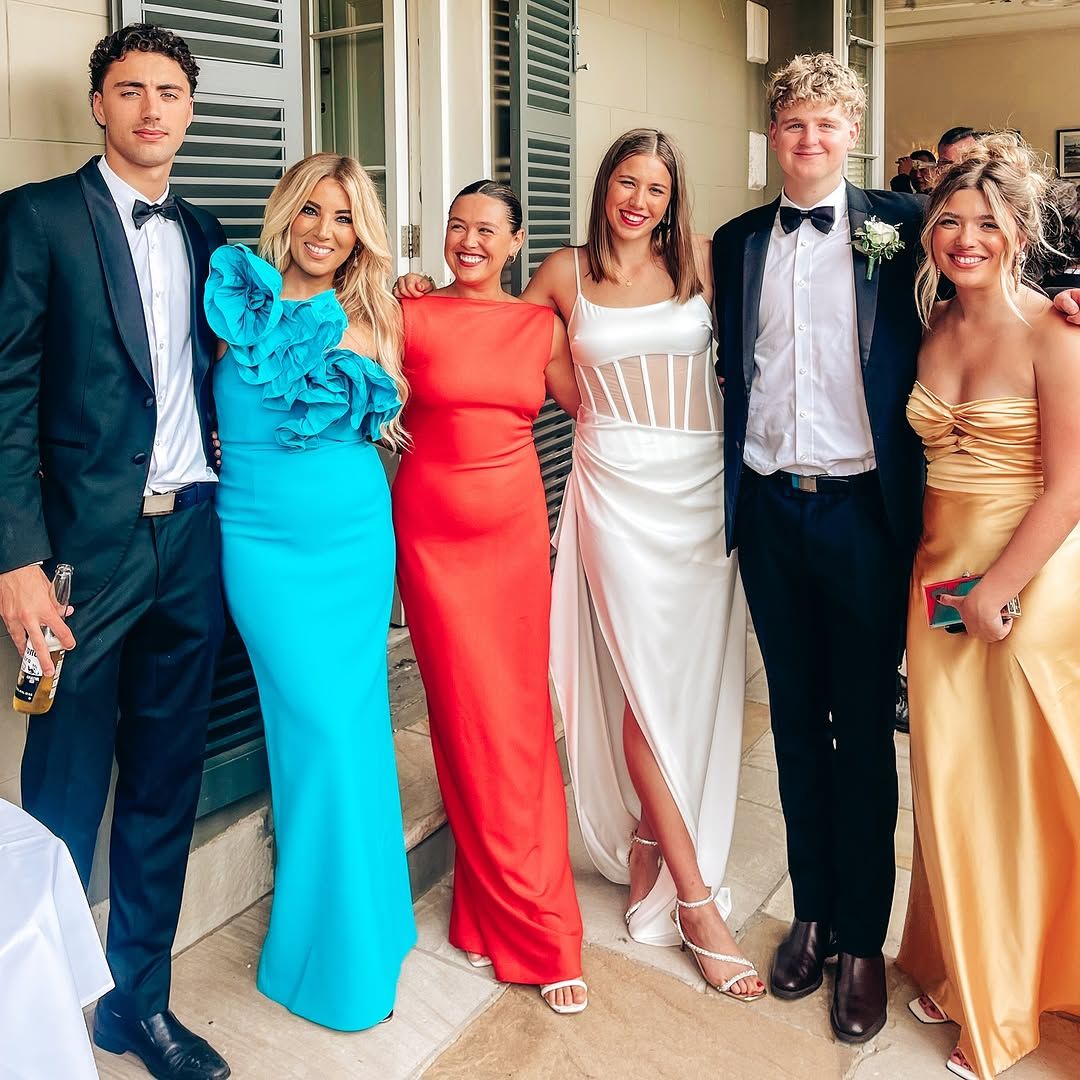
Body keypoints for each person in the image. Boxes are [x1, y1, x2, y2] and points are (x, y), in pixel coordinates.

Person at [396, 130, 759, 1001]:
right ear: (604, 187)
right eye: (626, 183)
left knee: (686, 683)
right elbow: (495, 342)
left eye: (655, 188)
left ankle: (649, 841)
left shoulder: (706, 261)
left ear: (673, 199)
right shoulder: (561, 274)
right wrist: (421, 291)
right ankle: (697, 903)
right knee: (640, 681)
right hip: (614, 489)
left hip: (699, 492)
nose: (638, 201)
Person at [0, 24, 230, 1080]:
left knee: (164, 785)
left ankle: (138, 1008)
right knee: (62, 789)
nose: (150, 108)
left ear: (189, 110)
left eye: (168, 91)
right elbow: (5, 398)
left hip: (191, 540)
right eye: (130, 90)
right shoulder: (36, 217)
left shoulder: (209, 231)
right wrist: (16, 559)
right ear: (99, 105)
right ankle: (35, 1016)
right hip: (78, 563)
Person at [712, 52, 928, 1045]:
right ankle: (810, 913)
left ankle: (860, 942)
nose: (810, 139)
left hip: (862, 516)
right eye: (794, 123)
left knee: (863, 735)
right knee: (795, 724)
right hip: (770, 508)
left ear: (854, 134)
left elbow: (1000, 260)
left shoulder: (906, 227)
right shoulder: (737, 242)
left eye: (828, 124)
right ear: (773, 134)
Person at [203, 153, 416, 1030]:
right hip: (254, 540)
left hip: (349, 540)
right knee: (312, 730)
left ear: (360, 232)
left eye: (344, 217)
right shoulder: (233, 301)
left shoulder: (375, 315)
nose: (325, 232)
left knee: (343, 728)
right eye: (312, 211)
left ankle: (357, 945)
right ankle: (342, 934)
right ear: (286, 214)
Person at [898, 133, 1080, 1080]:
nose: (965, 238)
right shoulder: (928, 323)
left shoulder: (1055, 329)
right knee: (951, 783)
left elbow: (1070, 485)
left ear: (1019, 233)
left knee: (1017, 790)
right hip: (937, 580)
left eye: (986, 223)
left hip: (1026, 581)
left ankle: (1005, 1006)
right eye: (949, 222)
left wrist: (999, 591)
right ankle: (962, 964)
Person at [392, 180, 588, 1014]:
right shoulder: (409, 313)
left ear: (515, 244)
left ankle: (535, 926)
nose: (468, 241)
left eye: (486, 230)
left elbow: (602, 410)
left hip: (511, 541)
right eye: (456, 226)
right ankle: (488, 908)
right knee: (462, 723)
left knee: (514, 724)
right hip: (430, 540)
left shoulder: (541, 327)